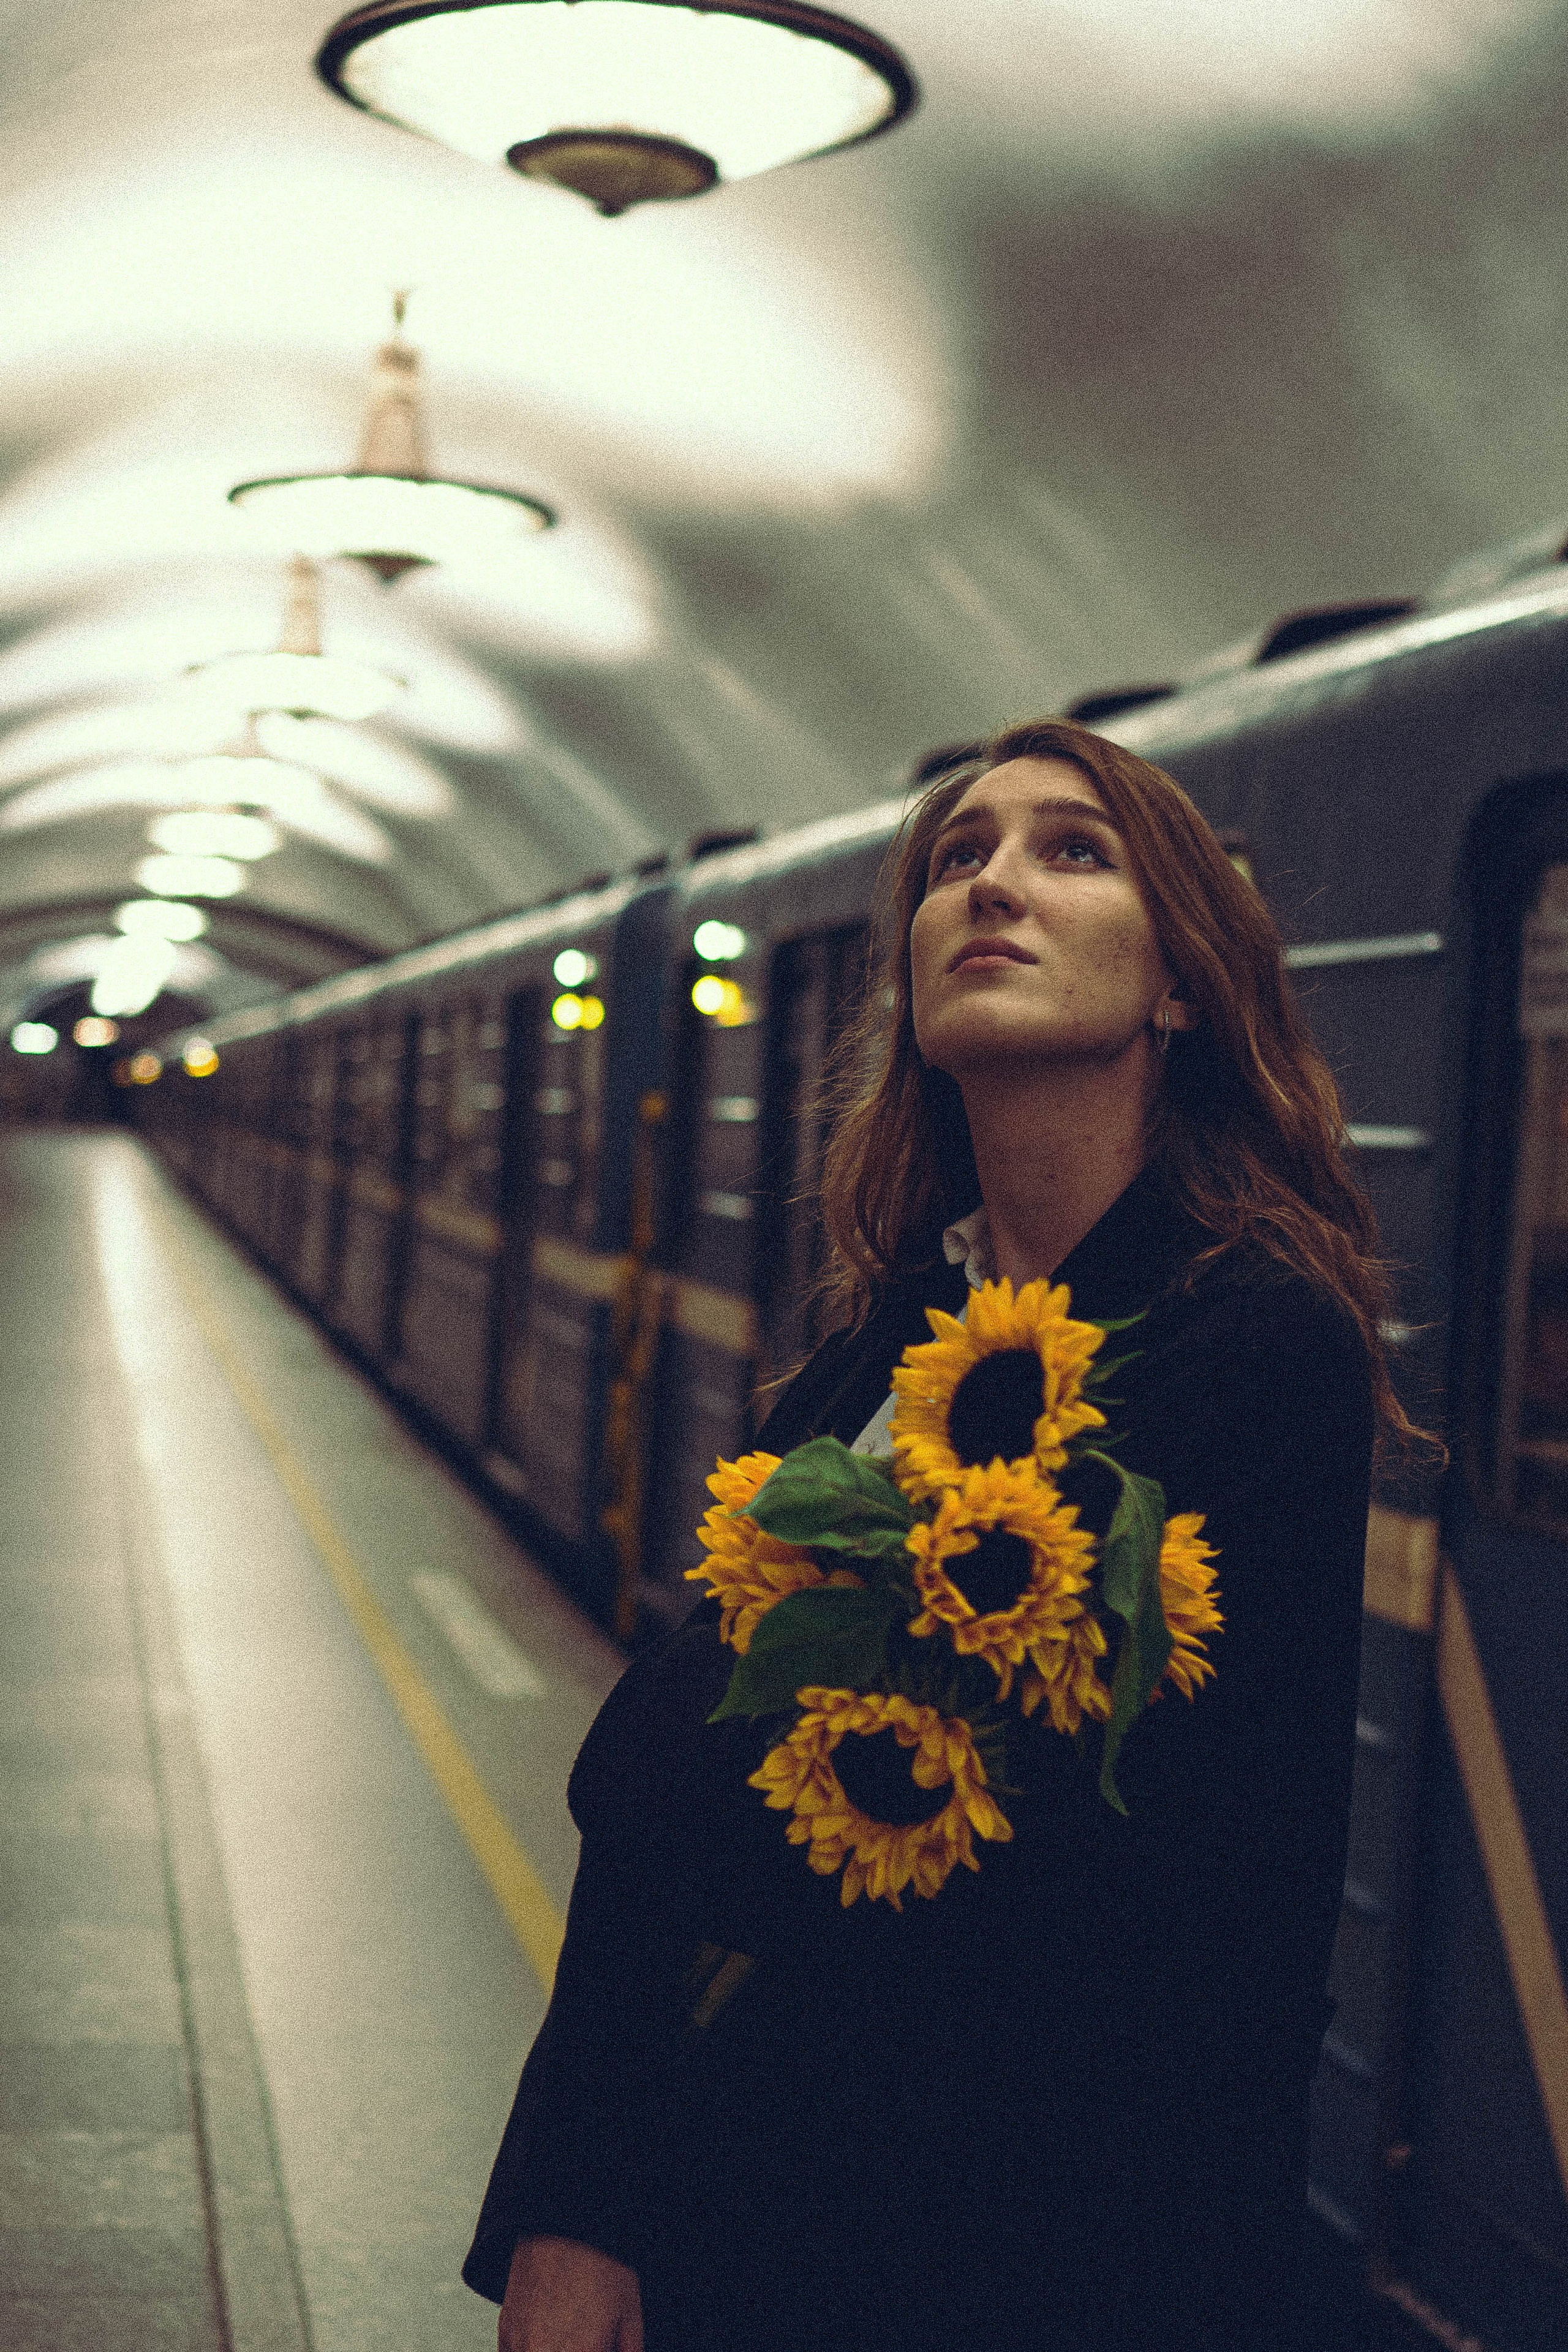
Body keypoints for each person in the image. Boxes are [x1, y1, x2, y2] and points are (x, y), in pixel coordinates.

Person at [464, 717, 1420, 2351]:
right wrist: (573, 2204)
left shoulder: (1255, 1347)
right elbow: (645, 1832)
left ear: (1182, 983)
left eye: (1072, 850)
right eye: (958, 858)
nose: (991, 885)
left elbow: (1107, 1883)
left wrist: (702, 1740)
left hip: (1057, 2255)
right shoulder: (872, 1353)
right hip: (740, 2223)